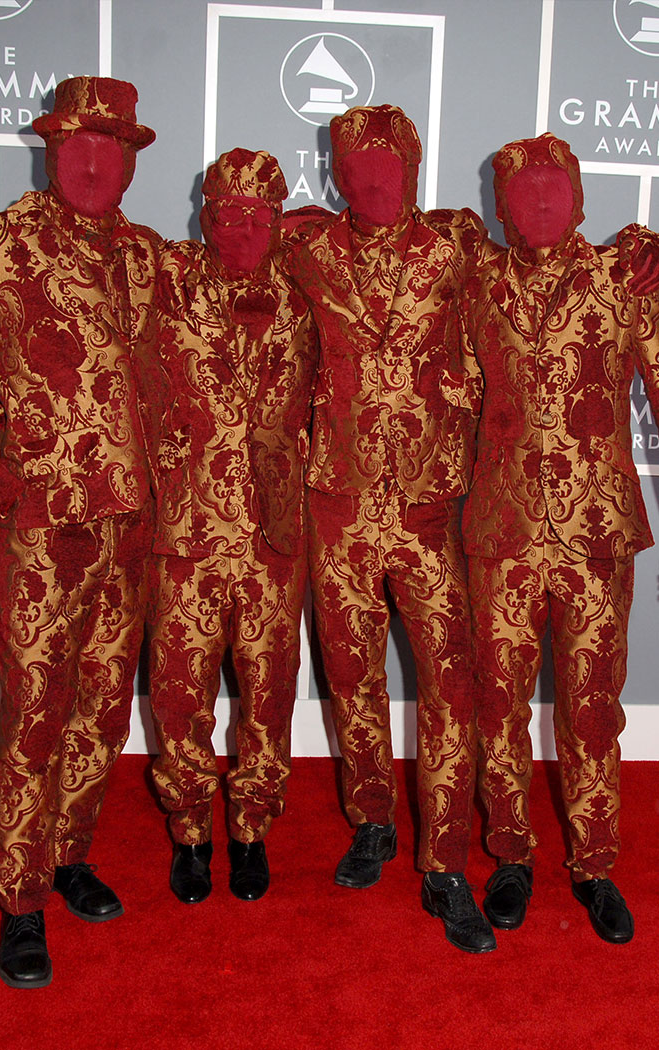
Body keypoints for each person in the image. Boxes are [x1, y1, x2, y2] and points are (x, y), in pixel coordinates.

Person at [0, 76, 159, 987]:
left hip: (133, 528)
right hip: (41, 526)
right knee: (34, 715)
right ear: (49, 151)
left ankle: (70, 851)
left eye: (110, 147)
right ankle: (22, 900)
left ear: (128, 161)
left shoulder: (146, 258)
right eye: (76, 145)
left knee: (103, 711)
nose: (92, 162)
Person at [287, 104, 497, 953]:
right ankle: (371, 818)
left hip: (428, 507)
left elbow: (502, 341)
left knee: (452, 687)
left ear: (415, 170)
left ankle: (446, 866)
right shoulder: (305, 250)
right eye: (359, 170)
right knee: (351, 677)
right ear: (337, 175)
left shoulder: (458, 246)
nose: (376, 184)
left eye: (392, 170)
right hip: (336, 505)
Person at [461, 131, 659, 943]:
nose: (540, 205)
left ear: (578, 199)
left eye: (554, 190)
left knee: (591, 706)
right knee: (497, 704)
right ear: (500, 208)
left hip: (594, 533)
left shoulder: (625, 278)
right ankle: (510, 854)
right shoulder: (472, 284)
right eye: (523, 195)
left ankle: (596, 862)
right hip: (501, 531)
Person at [147, 149, 317, 903]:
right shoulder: (164, 279)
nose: (244, 230)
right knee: (179, 689)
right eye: (229, 216)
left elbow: (428, 238)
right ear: (203, 218)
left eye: (261, 216)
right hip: (186, 531)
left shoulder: (312, 288)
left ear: (280, 223)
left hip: (275, 534)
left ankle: (251, 826)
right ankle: (190, 831)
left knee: (269, 689)